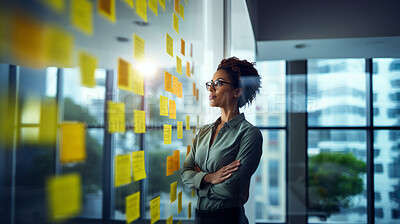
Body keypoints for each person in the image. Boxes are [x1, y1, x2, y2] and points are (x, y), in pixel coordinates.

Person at [181, 57, 263, 224]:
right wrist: (210, 178)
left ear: (236, 92)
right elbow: (185, 175)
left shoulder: (249, 134)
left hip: (229, 218)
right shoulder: (204, 131)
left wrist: (199, 182)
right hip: (200, 218)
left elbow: (231, 189)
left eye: (218, 83)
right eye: (210, 83)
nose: (210, 88)